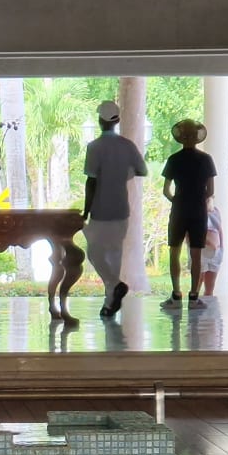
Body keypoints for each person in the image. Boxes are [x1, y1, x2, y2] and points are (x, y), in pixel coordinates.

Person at [82, 99, 148, 319]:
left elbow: (91, 181)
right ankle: (110, 302)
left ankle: (114, 288)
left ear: (100, 121)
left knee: (94, 252)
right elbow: (142, 170)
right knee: (114, 254)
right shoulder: (127, 146)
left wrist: (86, 210)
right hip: (121, 208)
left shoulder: (94, 147)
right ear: (117, 120)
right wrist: (123, 174)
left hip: (100, 209)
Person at [161, 119, 217, 305]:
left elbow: (166, 190)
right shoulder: (206, 159)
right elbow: (210, 190)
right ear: (196, 137)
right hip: (198, 210)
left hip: (179, 210)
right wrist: (198, 199)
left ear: (181, 137)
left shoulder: (174, 159)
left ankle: (176, 293)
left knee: (174, 251)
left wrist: (177, 201)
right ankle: (194, 295)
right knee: (196, 253)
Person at [200, 200, 224, 298]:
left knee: (210, 288)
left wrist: (221, 248)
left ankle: (208, 305)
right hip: (200, 252)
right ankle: (194, 304)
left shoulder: (215, 211)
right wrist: (207, 242)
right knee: (197, 284)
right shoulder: (195, 211)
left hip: (215, 253)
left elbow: (220, 230)